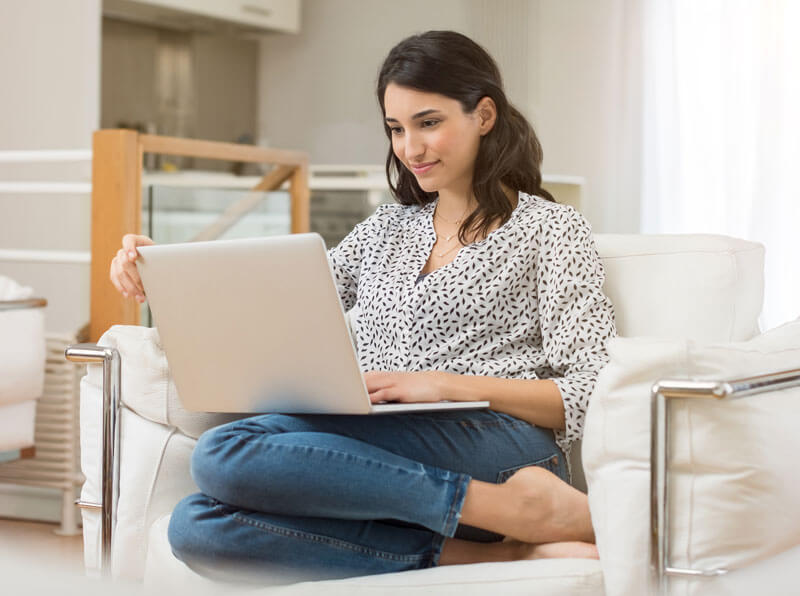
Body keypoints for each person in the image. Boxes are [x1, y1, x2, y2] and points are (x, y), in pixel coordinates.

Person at [109, 30, 616, 584]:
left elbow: (589, 389)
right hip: (375, 439)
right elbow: (275, 299)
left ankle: (513, 504)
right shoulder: (386, 229)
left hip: (498, 444)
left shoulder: (551, 228)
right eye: (396, 129)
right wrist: (162, 271)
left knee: (223, 452)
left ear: (485, 115)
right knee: (197, 526)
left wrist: (447, 385)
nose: (410, 148)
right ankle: (501, 543)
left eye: (429, 122)